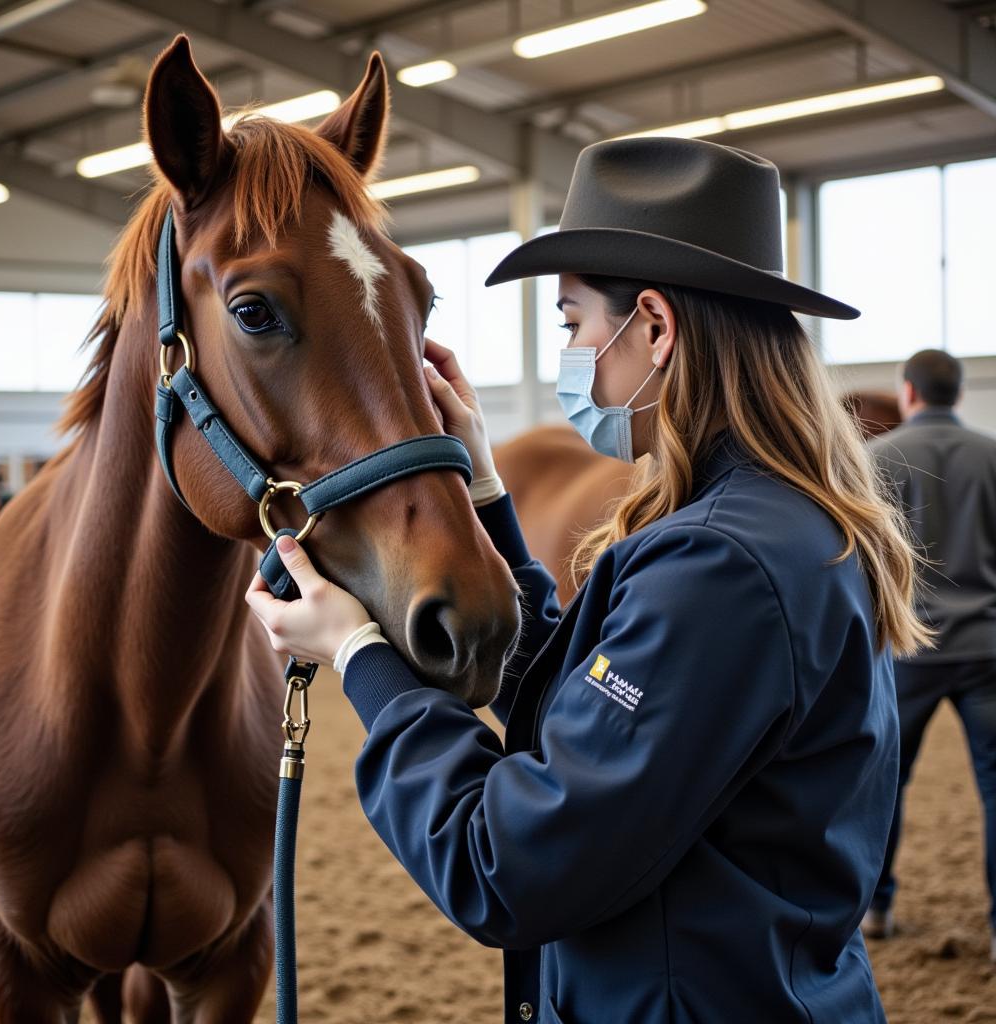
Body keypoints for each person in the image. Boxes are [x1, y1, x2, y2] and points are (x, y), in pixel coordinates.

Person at [246, 137, 931, 1022]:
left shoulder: (718, 565)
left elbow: (507, 864)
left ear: (654, 326)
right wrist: (487, 490)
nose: (570, 355)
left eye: (573, 324)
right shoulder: (777, 524)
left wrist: (359, 657)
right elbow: (595, 714)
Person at [862, 349, 996, 961]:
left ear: (908, 393)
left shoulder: (875, 459)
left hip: (909, 652)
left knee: (886, 785)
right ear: (957, 395)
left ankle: (878, 907)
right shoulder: (992, 457)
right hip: (989, 647)